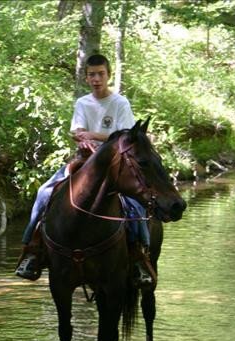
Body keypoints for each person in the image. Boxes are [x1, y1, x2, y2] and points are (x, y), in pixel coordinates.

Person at [15, 54, 152, 285]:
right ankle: (32, 249)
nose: (96, 79)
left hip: (113, 164)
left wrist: (94, 135)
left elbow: (126, 137)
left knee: (134, 202)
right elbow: (76, 130)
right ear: (86, 77)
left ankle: (139, 255)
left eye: (100, 74)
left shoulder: (120, 103)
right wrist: (82, 137)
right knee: (45, 192)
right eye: (91, 75)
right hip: (84, 160)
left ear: (108, 75)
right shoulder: (82, 103)